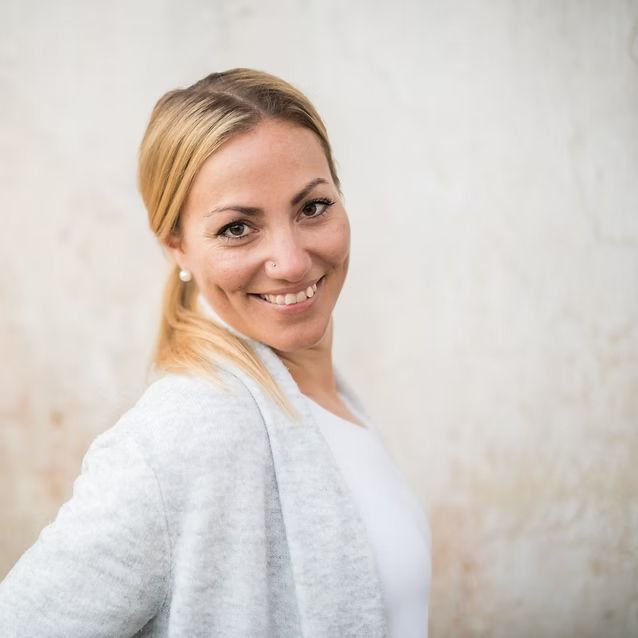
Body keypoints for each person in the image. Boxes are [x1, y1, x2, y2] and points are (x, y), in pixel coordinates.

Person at [0, 68, 431, 637]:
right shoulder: (186, 434)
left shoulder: (323, 395)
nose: (291, 262)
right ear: (175, 244)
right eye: (237, 229)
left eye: (312, 207)